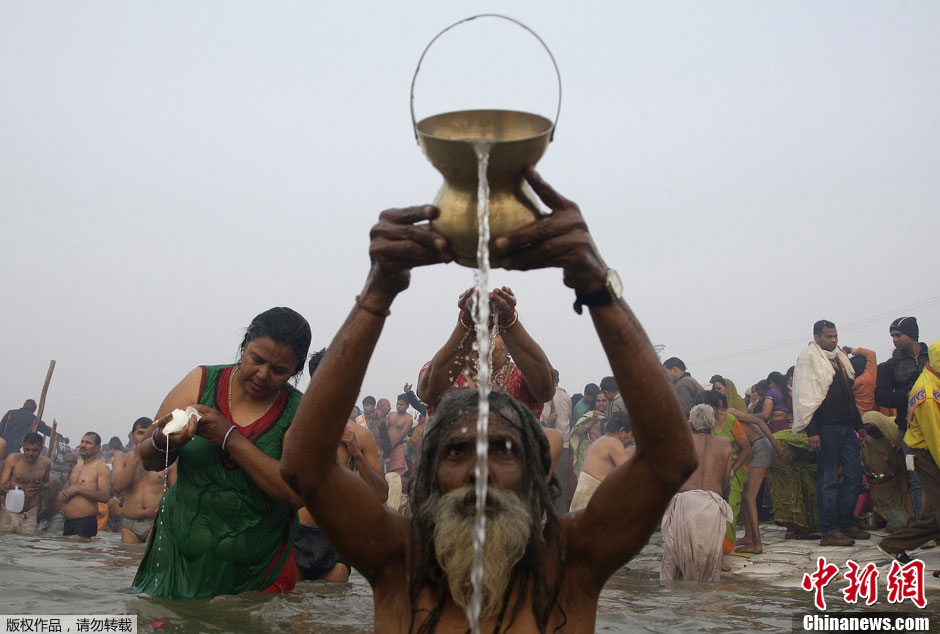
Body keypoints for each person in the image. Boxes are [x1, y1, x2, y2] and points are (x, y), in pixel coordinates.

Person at [279, 169, 698, 632]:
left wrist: (594, 283)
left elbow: (668, 460)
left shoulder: (570, 565)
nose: (480, 472)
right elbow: (305, 467)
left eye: (504, 449)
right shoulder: (399, 560)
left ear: (536, 475)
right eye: (457, 451)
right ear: (429, 475)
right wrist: (380, 286)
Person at [129, 306, 311, 599]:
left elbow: (294, 494)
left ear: (297, 368)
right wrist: (166, 440)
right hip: (176, 558)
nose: (263, 375)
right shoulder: (200, 382)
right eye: (257, 359)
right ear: (246, 341)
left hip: (258, 570)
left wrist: (229, 437)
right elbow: (149, 458)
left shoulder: (300, 411)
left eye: (279, 370)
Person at [417, 286, 555, 418]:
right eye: (476, 329)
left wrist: (509, 320)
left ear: (510, 344)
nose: (484, 337)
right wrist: (466, 322)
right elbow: (428, 392)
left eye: (494, 330)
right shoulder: (440, 371)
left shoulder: (523, 376)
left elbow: (546, 389)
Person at [793, 319, 866, 546]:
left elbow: (849, 395)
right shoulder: (809, 359)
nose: (833, 340)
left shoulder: (840, 360)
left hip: (846, 426)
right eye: (828, 337)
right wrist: (812, 431)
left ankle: (846, 523)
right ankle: (830, 530)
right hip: (825, 428)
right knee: (828, 479)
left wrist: (859, 424)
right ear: (817, 337)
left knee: (854, 475)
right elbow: (805, 398)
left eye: (835, 336)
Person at [878, 339, 940, 564]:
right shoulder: (928, 393)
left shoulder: (931, 379)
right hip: (926, 454)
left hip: (926, 451)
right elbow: (935, 437)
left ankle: (893, 545)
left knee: (933, 513)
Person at [661, 404, 733, 582]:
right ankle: (707, 608)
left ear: (690, 424)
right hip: (713, 505)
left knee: (673, 563)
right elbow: (726, 482)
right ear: (713, 424)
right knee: (710, 566)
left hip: (686, 504)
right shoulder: (725, 444)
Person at [876, 316, 929, 519]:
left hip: (936, 427)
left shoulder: (932, 359)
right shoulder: (891, 366)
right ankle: (925, 529)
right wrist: (908, 396)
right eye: (892, 336)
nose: (894, 340)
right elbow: (881, 396)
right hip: (910, 431)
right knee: (917, 479)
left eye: (898, 335)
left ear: (912, 335)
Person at [110, 417, 177, 544]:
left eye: (149, 434)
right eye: (140, 433)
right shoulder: (122, 459)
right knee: (128, 561)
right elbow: (117, 487)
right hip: (129, 524)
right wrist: (136, 457)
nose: (144, 437)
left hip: (155, 522)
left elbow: (176, 496)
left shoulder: (168, 462)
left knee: (149, 560)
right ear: (132, 435)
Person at [569, 412, 634, 513]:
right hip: (591, 497)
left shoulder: (598, 442)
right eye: (631, 435)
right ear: (622, 431)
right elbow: (628, 472)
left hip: (582, 495)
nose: (631, 440)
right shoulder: (614, 443)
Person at [58, 432, 111, 538]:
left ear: (97, 447)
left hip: (85, 523)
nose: (83, 445)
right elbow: (68, 489)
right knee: (66, 554)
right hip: (68, 522)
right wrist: (62, 495)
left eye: (88, 443)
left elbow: (105, 496)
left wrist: (79, 490)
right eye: (82, 442)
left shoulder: (101, 467)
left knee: (81, 553)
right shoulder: (77, 466)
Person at [0, 432, 51, 536]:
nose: (30, 453)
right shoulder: (13, 459)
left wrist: (43, 486)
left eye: (34, 450)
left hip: (30, 514)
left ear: (41, 449)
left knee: (27, 546)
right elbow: (1, 485)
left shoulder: (46, 463)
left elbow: (47, 483)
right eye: (27, 450)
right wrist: (6, 486)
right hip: (9, 512)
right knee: (5, 545)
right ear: (23, 447)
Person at [543, 369, 573, 513]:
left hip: (549, 445)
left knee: (545, 486)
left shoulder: (545, 396)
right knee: (561, 488)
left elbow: (542, 421)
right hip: (565, 446)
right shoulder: (566, 396)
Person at [0, 399, 65, 458]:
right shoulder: (34, 419)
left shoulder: (11, 413)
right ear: (34, 409)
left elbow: (1, 427)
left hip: (2, 444)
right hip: (14, 449)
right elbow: (47, 430)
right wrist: (61, 438)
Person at [570, 391, 609, 478]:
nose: (601, 403)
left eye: (604, 400)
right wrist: (592, 422)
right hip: (588, 452)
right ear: (594, 402)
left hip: (606, 453)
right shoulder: (589, 415)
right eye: (598, 401)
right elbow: (578, 432)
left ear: (608, 402)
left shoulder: (612, 416)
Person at [386, 394, 414, 478]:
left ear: (407, 406)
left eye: (401, 405)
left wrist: (390, 447)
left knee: (396, 476)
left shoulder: (408, 419)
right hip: (386, 447)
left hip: (397, 447)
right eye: (397, 404)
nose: (398, 406)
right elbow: (384, 431)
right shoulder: (390, 415)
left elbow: (401, 436)